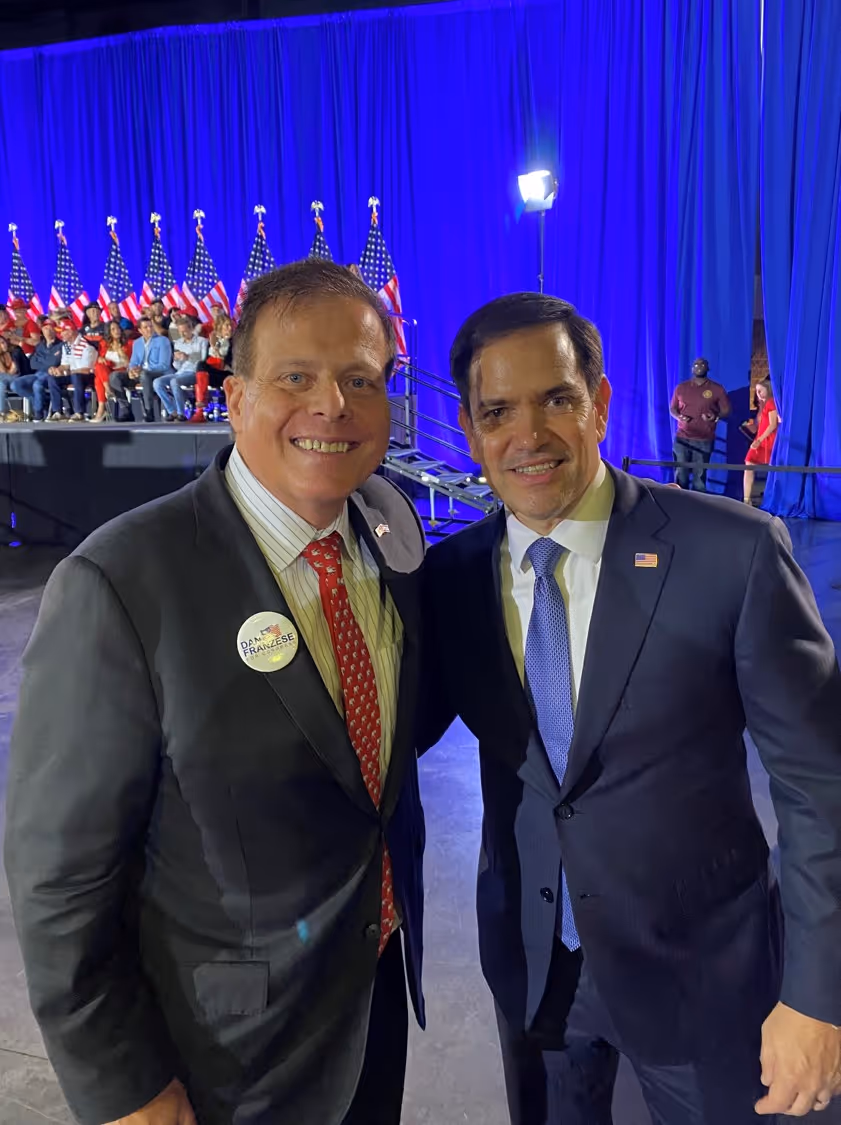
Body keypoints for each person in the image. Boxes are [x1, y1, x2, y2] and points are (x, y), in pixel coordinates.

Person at [5, 258, 426, 1125]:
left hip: (371, 996)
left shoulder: (389, 532)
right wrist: (122, 1083)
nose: (332, 405)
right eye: (295, 378)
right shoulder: (122, 581)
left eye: (360, 379)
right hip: (222, 1054)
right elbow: (59, 875)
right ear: (234, 399)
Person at [421, 293, 841, 1125]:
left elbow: (820, 786)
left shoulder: (733, 552)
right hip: (536, 977)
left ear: (600, 403)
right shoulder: (451, 578)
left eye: (556, 398)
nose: (527, 434)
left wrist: (816, 995)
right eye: (497, 411)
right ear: (468, 429)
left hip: (707, 984)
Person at [669, 357, 731, 491]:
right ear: (692, 368)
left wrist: (715, 416)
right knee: (681, 474)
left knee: (700, 477)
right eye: (696, 365)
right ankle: (678, 500)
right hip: (682, 438)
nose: (699, 367)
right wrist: (679, 416)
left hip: (704, 439)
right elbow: (673, 408)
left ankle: (697, 502)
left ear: (707, 368)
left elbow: (726, 410)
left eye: (702, 365)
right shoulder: (681, 388)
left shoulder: (717, 389)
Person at [153, 315, 208, 421]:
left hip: (195, 372)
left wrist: (188, 356)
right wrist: (176, 360)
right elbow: (177, 366)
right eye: (180, 332)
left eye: (185, 331)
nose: (182, 334)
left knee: (174, 381)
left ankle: (181, 413)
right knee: (157, 382)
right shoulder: (178, 343)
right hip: (180, 372)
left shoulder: (202, 341)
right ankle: (171, 411)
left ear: (191, 329)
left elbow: (202, 359)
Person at [121, 316, 173, 422]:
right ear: (140, 330)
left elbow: (164, 365)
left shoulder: (163, 341)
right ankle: (126, 410)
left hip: (159, 373)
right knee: (115, 377)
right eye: (146, 327)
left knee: (145, 375)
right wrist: (131, 370)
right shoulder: (137, 343)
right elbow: (133, 361)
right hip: (140, 373)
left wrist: (142, 370)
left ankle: (149, 411)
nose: (149, 329)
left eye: (150, 326)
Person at [11, 319, 63, 422]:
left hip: (51, 374)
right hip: (38, 373)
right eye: (46, 328)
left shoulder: (60, 345)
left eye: (51, 328)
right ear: (42, 330)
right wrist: (47, 361)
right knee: (15, 384)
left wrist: (43, 361)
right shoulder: (40, 346)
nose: (48, 331)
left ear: (55, 330)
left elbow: (55, 362)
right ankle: (42, 402)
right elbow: (33, 363)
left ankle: (38, 413)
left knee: (37, 384)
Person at [46, 321, 98, 422]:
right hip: (73, 374)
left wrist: (67, 372)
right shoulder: (66, 346)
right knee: (53, 378)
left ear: (70, 332)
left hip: (88, 376)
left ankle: (79, 412)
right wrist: (57, 370)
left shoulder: (86, 345)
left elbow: (86, 369)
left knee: (76, 377)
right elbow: (65, 364)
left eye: (62, 332)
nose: (60, 334)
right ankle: (58, 412)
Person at [189, 312, 234, 423]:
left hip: (227, 374)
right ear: (220, 327)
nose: (230, 328)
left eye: (230, 325)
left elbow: (231, 362)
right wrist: (215, 345)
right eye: (227, 325)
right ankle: (200, 409)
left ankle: (200, 408)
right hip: (213, 371)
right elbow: (208, 358)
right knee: (201, 366)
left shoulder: (234, 341)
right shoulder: (215, 341)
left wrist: (219, 349)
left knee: (202, 369)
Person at [743, 379, 780, 506]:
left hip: (767, 440)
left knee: (771, 467)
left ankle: (771, 497)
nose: (758, 394)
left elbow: (772, 425)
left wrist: (759, 440)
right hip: (760, 439)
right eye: (757, 391)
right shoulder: (763, 405)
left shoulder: (771, 403)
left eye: (760, 391)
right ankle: (747, 499)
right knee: (749, 463)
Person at [90, 321, 132, 424]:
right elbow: (101, 358)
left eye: (118, 328)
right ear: (109, 332)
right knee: (99, 365)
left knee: (98, 379)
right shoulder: (104, 344)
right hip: (108, 372)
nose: (116, 331)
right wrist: (100, 358)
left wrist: (122, 353)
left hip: (122, 372)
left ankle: (101, 409)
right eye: (113, 329)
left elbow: (130, 363)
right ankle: (108, 388)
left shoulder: (128, 343)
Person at [6, 298, 40, 366]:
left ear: (25, 310)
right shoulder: (10, 323)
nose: (17, 312)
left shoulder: (31, 324)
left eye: (19, 310)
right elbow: (4, 337)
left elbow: (36, 342)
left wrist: (19, 338)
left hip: (28, 355)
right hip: (11, 354)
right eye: (15, 310)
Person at [0, 333, 23, 420]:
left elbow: (14, 370)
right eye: (1, 343)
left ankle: (1, 413)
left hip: (18, 378)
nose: (4, 345)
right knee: (1, 384)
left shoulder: (15, 352)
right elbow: (4, 371)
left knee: (1, 381)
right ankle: (2, 413)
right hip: (6, 380)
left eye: (4, 342)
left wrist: (7, 372)